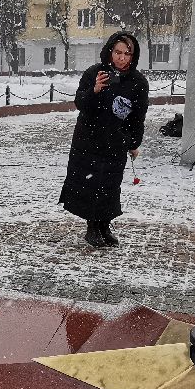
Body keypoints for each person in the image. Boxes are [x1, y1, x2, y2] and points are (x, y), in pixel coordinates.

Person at [60, 31, 149, 248]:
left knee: (109, 185)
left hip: (115, 142)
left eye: (127, 53)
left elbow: (138, 116)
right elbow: (80, 102)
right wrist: (95, 90)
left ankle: (104, 226)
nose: (121, 58)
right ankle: (92, 227)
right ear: (110, 52)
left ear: (133, 56)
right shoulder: (95, 73)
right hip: (89, 141)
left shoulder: (137, 82)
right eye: (118, 52)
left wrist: (134, 142)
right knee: (90, 183)